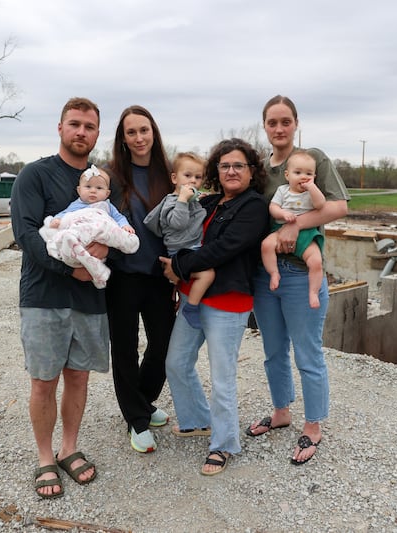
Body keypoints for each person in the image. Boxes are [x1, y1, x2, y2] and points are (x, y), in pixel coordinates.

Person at [10, 97, 108, 499]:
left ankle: (70, 448)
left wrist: (108, 252)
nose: (81, 131)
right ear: (60, 128)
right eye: (74, 124)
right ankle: (45, 457)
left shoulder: (101, 180)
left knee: (79, 377)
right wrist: (73, 269)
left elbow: (117, 225)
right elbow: (27, 235)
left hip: (88, 300)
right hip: (44, 297)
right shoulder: (34, 175)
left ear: (97, 133)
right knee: (43, 382)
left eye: (89, 126)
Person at [246, 95, 350, 466]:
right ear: (264, 126)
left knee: (307, 353)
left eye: (285, 122)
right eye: (272, 122)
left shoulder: (312, 160)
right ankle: (281, 411)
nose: (279, 129)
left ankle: (313, 425)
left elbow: (338, 206)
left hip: (302, 271)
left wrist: (294, 226)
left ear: (296, 123)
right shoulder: (260, 170)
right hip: (267, 273)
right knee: (273, 350)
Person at [161, 138, 269, 476]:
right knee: (176, 362)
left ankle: (224, 444)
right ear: (216, 171)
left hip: (228, 301)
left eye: (239, 165)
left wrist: (178, 265)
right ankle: (197, 421)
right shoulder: (207, 202)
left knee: (222, 377)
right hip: (194, 297)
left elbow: (225, 248)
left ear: (252, 171)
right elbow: (179, 230)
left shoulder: (254, 207)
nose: (231, 170)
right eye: (225, 165)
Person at [105, 105, 176, 453]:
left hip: (160, 276)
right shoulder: (113, 177)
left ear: (153, 132)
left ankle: (141, 403)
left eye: (143, 130)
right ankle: (136, 419)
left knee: (164, 347)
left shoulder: (169, 175)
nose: (138, 138)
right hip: (122, 278)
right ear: (123, 138)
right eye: (130, 132)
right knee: (125, 349)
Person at [143, 152, 214, 328]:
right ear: (174, 178)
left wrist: (196, 201)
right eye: (187, 176)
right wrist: (183, 200)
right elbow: (178, 223)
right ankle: (191, 307)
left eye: (198, 177)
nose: (193, 181)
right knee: (208, 274)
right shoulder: (172, 201)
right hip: (181, 251)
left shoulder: (190, 201)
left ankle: (190, 302)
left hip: (191, 248)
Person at [39, 165, 139, 289]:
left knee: (112, 231)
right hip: (82, 236)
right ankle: (93, 267)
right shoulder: (76, 205)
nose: (93, 191)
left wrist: (125, 226)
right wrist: (57, 220)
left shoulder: (107, 206)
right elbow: (66, 215)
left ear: (107, 193)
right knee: (71, 232)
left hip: (100, 235)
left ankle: (128, 242)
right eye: (88, 187)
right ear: (79, 190)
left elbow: (119, 218)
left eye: (99, 188)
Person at [260, 149, 326, 308]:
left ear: (314, 177)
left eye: (309, 174)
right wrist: (282, 213)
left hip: (307, 233)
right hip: (280, 228)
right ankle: (274, 273)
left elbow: (320, 205)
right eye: (298, 172)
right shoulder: (282, 190)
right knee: (266, 245)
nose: (304, 177)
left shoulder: (312, 192)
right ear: (287, 175)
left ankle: (313, 292)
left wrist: (312, 188)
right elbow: (273, 207)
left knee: (316, 261)